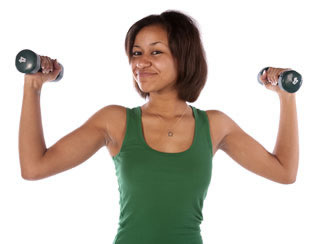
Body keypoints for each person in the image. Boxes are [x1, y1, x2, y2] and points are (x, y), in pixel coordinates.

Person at [18, 10, 299, 244]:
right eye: (136, 52)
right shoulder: (115, 121)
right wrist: (33, 86)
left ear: (183, 56)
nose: (141, 62)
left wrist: (287, 97)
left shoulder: (214, 125)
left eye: (156, 52)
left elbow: (284, 172)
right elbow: (34, 167)